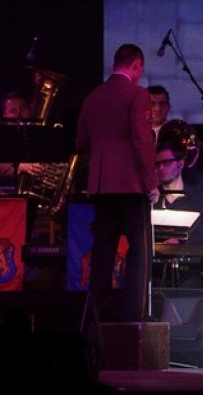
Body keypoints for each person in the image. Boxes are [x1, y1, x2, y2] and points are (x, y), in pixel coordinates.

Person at [75, 43, 159, 322]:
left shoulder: (93, 97)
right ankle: (134, 313)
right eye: (140, 70)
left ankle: (96, 313)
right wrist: (151, 182)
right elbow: (141, 140)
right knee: (139, 251)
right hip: (131, 184)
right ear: (136, 65)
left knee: (103, 250)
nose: (139, 75)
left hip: (101, 186)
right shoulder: (138, 95)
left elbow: (81, 141)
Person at [152, 137, 203, 288]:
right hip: (154, 271)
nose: (161, 168)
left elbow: (202, 235)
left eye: (167, 162)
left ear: (181, 163)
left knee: (189, 290)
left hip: (187, 271)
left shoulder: (199, 199)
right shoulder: (151, 200)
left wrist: (179, 244)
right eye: (157, 164)